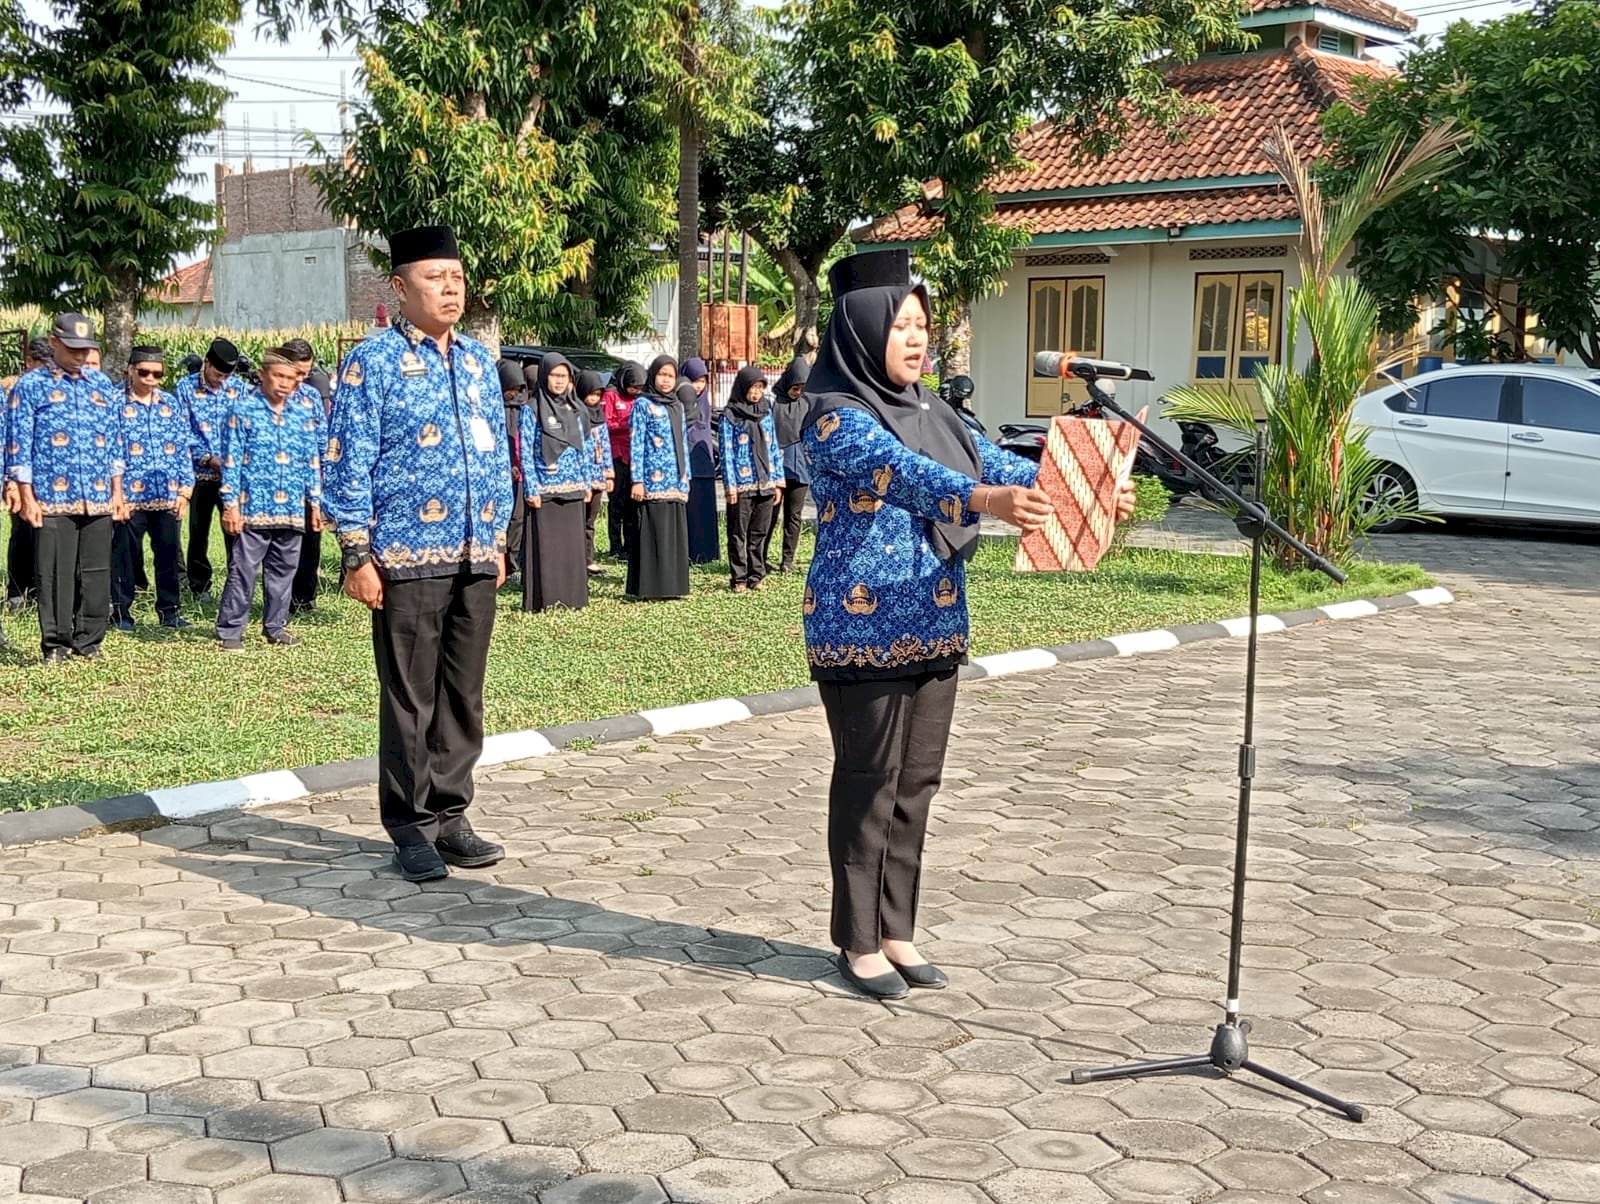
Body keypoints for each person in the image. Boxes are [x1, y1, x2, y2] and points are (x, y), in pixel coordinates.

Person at [800, 250, 1135, 1001]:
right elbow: (909, 476)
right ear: (860, 329)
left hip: (937, 618)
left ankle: (897, 931)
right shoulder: (835, 417)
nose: (917, 340)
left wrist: (1087, 492)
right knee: (868, 783)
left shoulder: (936, 409)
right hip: (863, 625)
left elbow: (998, 463)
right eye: (901, 325)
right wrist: (986, 503)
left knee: (916, 783)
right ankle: (855, 942)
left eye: (922, 325)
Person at [321, 224, 513, 884]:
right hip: (402, 557)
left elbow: (496, 460)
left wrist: (498, 540)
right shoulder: (370, 363)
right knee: (411, 697)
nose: (451, 287)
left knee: (463, 694)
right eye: (436, 278)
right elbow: (346, 462)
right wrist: (355, 554)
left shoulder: (477, 363)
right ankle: (410, 825)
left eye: (457, 276)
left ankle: (452, 814)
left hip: (474, 553)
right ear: (401, 288)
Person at [6, 313, 128, 664]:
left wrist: (117, 492)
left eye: (86, 349)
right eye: (73, 349)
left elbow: (114, 444)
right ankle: (56, 644)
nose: (80, 356)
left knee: (95, 572)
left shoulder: (101, 385)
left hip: (98, 494)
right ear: (55, 343)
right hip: (51, 496)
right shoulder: (30, 387)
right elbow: (19, 446)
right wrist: (26, 496)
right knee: (54, 572)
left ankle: (89, 641)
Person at [214, 348, 323, 652]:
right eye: (279, 376)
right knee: (243, 570)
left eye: (291, 378)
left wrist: (315, 503)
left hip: (290, 509)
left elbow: (311, 463)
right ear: (263, 375)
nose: (286, 383)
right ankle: (231, 629)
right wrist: (230, 505)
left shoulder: (302, 416)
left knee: (283, 572)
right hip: (253, 508)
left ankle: (275, 626)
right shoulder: (242, 411)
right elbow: (231, 462)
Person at [111, 345, 192, 632]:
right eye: (143, 372)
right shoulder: (114, 402)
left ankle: (170, 611)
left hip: (166, 495)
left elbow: (183, 448)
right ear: (130, 370)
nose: (150, 379)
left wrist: (185, 491)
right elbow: (110, 450)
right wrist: (116, 493)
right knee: (124, 557)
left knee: (168, 555)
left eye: (157, 374)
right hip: (129, 497)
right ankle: (122, 613)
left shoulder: (169, 404)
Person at [518, 353, 591, 612]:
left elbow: (586, 447)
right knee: (546, 548)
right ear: (544, 376)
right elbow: (525, 449)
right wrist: (531, 488)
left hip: (573, 487)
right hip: (544, 489)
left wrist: (587, 482)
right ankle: (545, 599)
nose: (559, 382)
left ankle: (572, 598)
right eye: (554, 375)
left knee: (571, 547)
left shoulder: (577, 409)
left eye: (564, 376)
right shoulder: (532, 409)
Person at [176, 337, 245, 602]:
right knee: (199, 533)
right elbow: (181, 431)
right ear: (206, 363)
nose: (221, 381)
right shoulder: (185, 389)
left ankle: (237, 584)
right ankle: (199, 585)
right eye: (217, 374)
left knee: (235, 532)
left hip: (231, 476)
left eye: (226, 376)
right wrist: (207, 457)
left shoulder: (237, 388)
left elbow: (243, 428)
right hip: (200, 473)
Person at [626, 355, 691, 601]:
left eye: (670, 376)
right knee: (653, 532)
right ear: (653, 376)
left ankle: (673, 586)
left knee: (673, 533)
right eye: (662, 375)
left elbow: (683, 441)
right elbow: (636, 442)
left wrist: (686, 478)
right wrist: (637, 480)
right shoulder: (643, 405)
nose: (665, 381)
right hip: (652, 482)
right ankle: (651, 588)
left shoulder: (677, 405)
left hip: (674, 482)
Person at [720, 365, 782, 593]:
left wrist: (778, 481)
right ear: (742, 387)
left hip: (765, 482)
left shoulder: (766, 411)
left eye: (760, 388)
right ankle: (739, 578)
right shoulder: (731, 415)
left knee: (759, 533)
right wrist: (730, 486)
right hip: (741, 484)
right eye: (752, 388)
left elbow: (773, 447)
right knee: (738, 533)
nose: (756, 393)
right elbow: (726, 452)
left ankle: (757, 575)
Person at [4, 336, 52, 613]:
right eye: (40, 364)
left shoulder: (54, 390)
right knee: (22, 534)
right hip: (21, 473)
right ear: (28, 362)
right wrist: (11, 480)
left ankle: (40, 591)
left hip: (48, 475)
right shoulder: (13, 391)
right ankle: (17, 593)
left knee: (47, 536)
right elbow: (8, 438)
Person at [281, 339, 327, 614]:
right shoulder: (262, 398)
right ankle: (280, 602)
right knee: (282, 546)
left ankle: (305, 597)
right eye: (296, 372)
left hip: (308, 483)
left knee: (311, 541)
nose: (301, 379)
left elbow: (322, 441)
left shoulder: (310, 398)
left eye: (305, 373)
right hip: (277, 485)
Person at [768, 355, 813, 573]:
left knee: (794, 516)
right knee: (770, 514)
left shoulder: (808, 404)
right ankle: (760, 557)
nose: (798, 393)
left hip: (801, 468)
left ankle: (787, 560)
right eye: (795, 388)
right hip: (777, 468)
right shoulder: (773, 402)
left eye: (803, 388)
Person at [679, 356, 720, 564]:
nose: (698, 386)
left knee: (705, 509)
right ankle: (688, 552)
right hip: (686, 466)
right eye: (694, 380)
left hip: (704, 464)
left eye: (702, 381)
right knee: (690, 511)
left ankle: (707, 553)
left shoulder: (706, 404)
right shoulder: (679, 403)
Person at [603, 360, 644, 560]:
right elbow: (605, 423)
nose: (635, 391)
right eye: (633, 387)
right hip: (616, 454)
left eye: (639, 388)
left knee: (631, 503)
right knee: (616, 503)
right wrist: (627, 423)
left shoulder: (640, 399)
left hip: (633, 455)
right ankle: (615, 546)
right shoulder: (612, 394)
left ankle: (630, 545)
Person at [576, 369, 612, 575]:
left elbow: (605, 445)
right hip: (581, 477)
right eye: (590, 393)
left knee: (591, 520)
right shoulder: (576, 415)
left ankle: (589, 559)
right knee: (578, 519)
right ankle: (576, 558)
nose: (593, 398)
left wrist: (609, 473)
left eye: (598, 394)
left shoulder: (600, 415)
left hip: (598, 477)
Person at [498, 359, 528, 579]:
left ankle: (513, 562)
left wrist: (518, 465)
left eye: (518, 389)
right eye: (510, 388)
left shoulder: (523, 408)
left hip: (518, 471)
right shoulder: (491, 405)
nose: (513, 393)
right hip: (498, 471)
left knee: (517, 518)